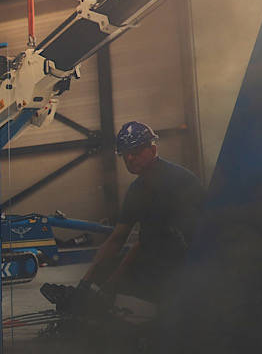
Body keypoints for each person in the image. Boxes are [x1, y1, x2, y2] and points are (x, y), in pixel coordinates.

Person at [77, 120, 205, 301]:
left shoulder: (179, 182)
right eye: (125, 154)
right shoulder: (137, 190)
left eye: (136, 152)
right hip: (163, 257)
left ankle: (177, 303)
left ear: (153, 150)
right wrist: (85, 283)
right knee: (103, 269)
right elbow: (119, 239)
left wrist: (113, 284)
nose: (130, 158)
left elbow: (186, 238)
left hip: (191, 260)